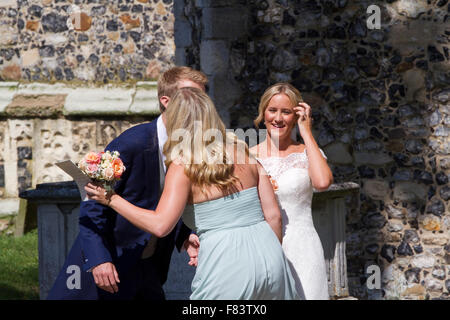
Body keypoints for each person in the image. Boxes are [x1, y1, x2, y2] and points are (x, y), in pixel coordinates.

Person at [85, 87, 300, 300]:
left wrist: (111, 199)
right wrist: (269, 257)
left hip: (226, 263)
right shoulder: (243, 151)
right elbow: (273, 216)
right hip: (272, 257)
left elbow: (160, 225)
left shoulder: (183, 166)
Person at [47, 67, 207, 300]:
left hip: (150, 266)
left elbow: (170, 199)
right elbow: (93, 204)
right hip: (110, 262)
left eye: (202, 98)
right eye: (190, 97)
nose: (198, 105)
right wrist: (99, 260)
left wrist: (184, 236)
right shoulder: (132, 144)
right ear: (166, 101)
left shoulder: (193, 146)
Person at [250, 83, 333, 300]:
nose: (278, 118)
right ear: (263, 113)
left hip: (303, 248)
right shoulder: (247, 155)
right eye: (272, 110)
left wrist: (306, 131)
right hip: (261, 248)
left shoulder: (308, 153)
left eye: (286, 112)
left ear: (296, 115)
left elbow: (323, 182)